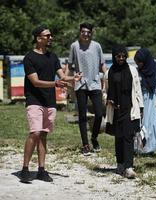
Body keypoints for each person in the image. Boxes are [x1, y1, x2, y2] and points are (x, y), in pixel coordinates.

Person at [20, 25, 81, 183]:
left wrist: (73, 78)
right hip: (34, 100)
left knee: (44, 135)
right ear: (38, 38)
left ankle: (41, 169)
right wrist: (55, 84)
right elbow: (35, 82)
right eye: (47, 36)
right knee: (35, 133)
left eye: (51, 35)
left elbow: (61, 76)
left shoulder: (53, 57)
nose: (50, 38)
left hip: (49, 102)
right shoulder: (29, 58)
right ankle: (25, 169)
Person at [67, 22, 108, 156]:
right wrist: (67, 80)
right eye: (83, 32)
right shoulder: (74, 46)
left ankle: (94, 138)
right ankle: (85, 144)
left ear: (91, 33)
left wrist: (107, 79)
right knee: (82, 116)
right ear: (80, 32)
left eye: (88, 32)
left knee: (99, 114)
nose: (86, 34)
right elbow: (70, 65)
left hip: (95, 83)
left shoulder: (96, 46)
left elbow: (102, 64)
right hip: (80, 85)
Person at [104, 44, 143, 179]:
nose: (121, 58)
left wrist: (141, 108)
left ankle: (128, 166)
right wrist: (108, 100)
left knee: (128, 137)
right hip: (115, 110)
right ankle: (120, 163)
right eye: (118, 56)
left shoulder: (132, 70)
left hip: (129, 108)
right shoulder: (109, 72)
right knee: (118, 137)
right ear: (114, 57)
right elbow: (105, 91)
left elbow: (137, 90)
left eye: (123, 56)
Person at [134, 48, 156, 154]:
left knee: (154, 123)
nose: (139, 65)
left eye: (140, 62)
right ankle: (142, 146)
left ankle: (154, 145)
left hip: (155, 99)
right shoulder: (138, 72)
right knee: (143, 122)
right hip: (143, 99)